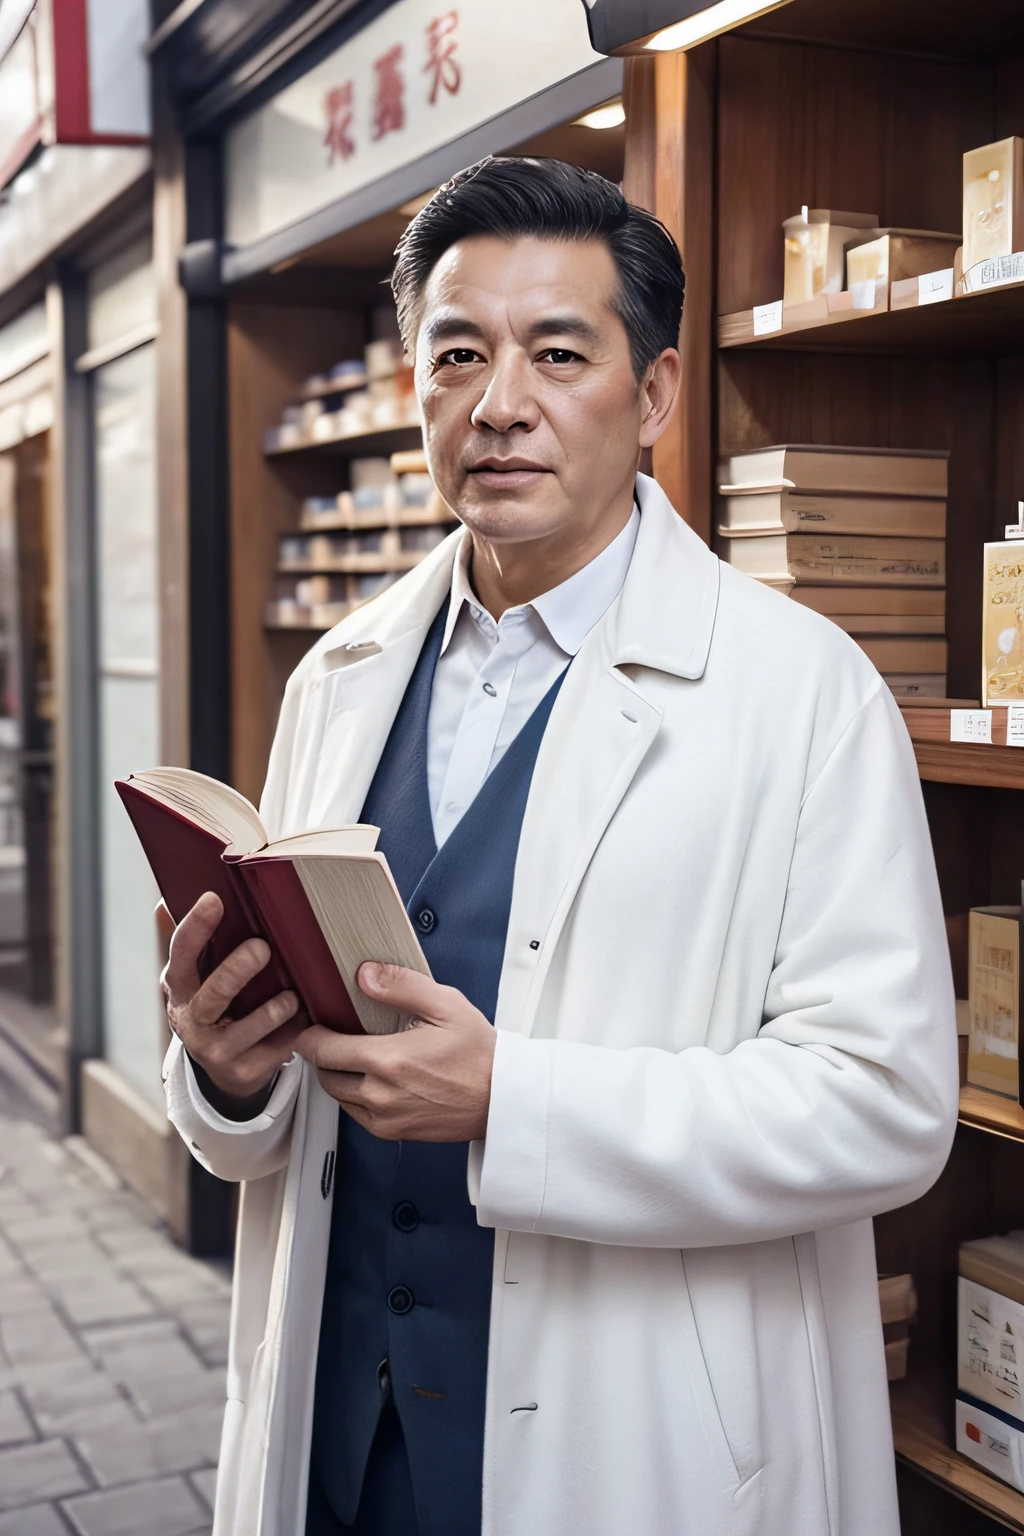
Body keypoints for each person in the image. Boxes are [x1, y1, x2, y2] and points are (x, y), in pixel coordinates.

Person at [160, 157, 959, 1536]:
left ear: (651, 396)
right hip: (345, 1424)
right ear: (416, 387)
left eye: (558, 352)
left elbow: (883, 1106)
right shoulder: (339, 678)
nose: (501, 403)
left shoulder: (801, 692)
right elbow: (294, 1097)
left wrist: (512, 1100)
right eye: (458, 354)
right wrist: (229, 1081)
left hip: (633, 1440)